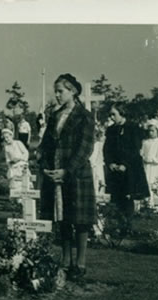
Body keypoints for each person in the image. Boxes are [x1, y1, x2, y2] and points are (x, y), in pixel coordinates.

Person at [37, 73, 95, 280]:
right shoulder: (55, 115)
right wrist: (44, 164)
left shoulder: (85, 116)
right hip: (55, 174)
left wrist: (67, 171)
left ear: (73, 91)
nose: (58, 95)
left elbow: (85, 148)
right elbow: (45, 144)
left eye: (61, 91)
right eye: (56, 92)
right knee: (62, 218)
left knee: (79, 219)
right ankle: (65, 260)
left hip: (76, 174)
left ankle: (80, 263)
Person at [103, 103, 149, 222]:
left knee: (128, 197)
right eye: (110, 115)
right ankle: (118, 224)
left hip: (130, 169)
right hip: (115, 169)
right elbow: (107, 149)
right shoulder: (111, 130)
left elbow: (135, 149)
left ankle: (127, 225)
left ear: (122, 113)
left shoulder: (133, 128)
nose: (111, 117)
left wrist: (125, 164)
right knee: (116, 197)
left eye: (114, 114)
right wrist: (110, 163)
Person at [140, 118, 158, 198]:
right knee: (147, 183)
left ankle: (156, 203)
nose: (150, 133)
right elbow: (142, 153)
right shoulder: (145, 142)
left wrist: (151, 159)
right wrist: (144, 158)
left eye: (153, 131)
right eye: (149, 131)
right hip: (147, 167)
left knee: (155, 184)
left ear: (157, 131)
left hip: (156, 168)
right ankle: (146, 202)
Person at [2, 128, 30, 192]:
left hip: (21, 166)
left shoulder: (18, 143)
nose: (6, 139)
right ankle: (16, 199)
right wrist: (10, 162)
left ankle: (24, 198)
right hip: (13, 168)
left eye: (7, 137)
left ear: (11, 136)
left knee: (23, 183)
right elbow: (7, 159)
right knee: (14, 185)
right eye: (4, 138)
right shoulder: (6, 147)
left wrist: (19, 158)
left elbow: (26, 153)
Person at [89, 123, 107, 195]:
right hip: (95, 163)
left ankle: (97, 191)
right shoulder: (96, 144)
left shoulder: (99, 144)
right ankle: (95, 192)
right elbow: (94, 155)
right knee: (95, 177)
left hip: (98, 163)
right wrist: (93, 163)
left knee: (98, 177)